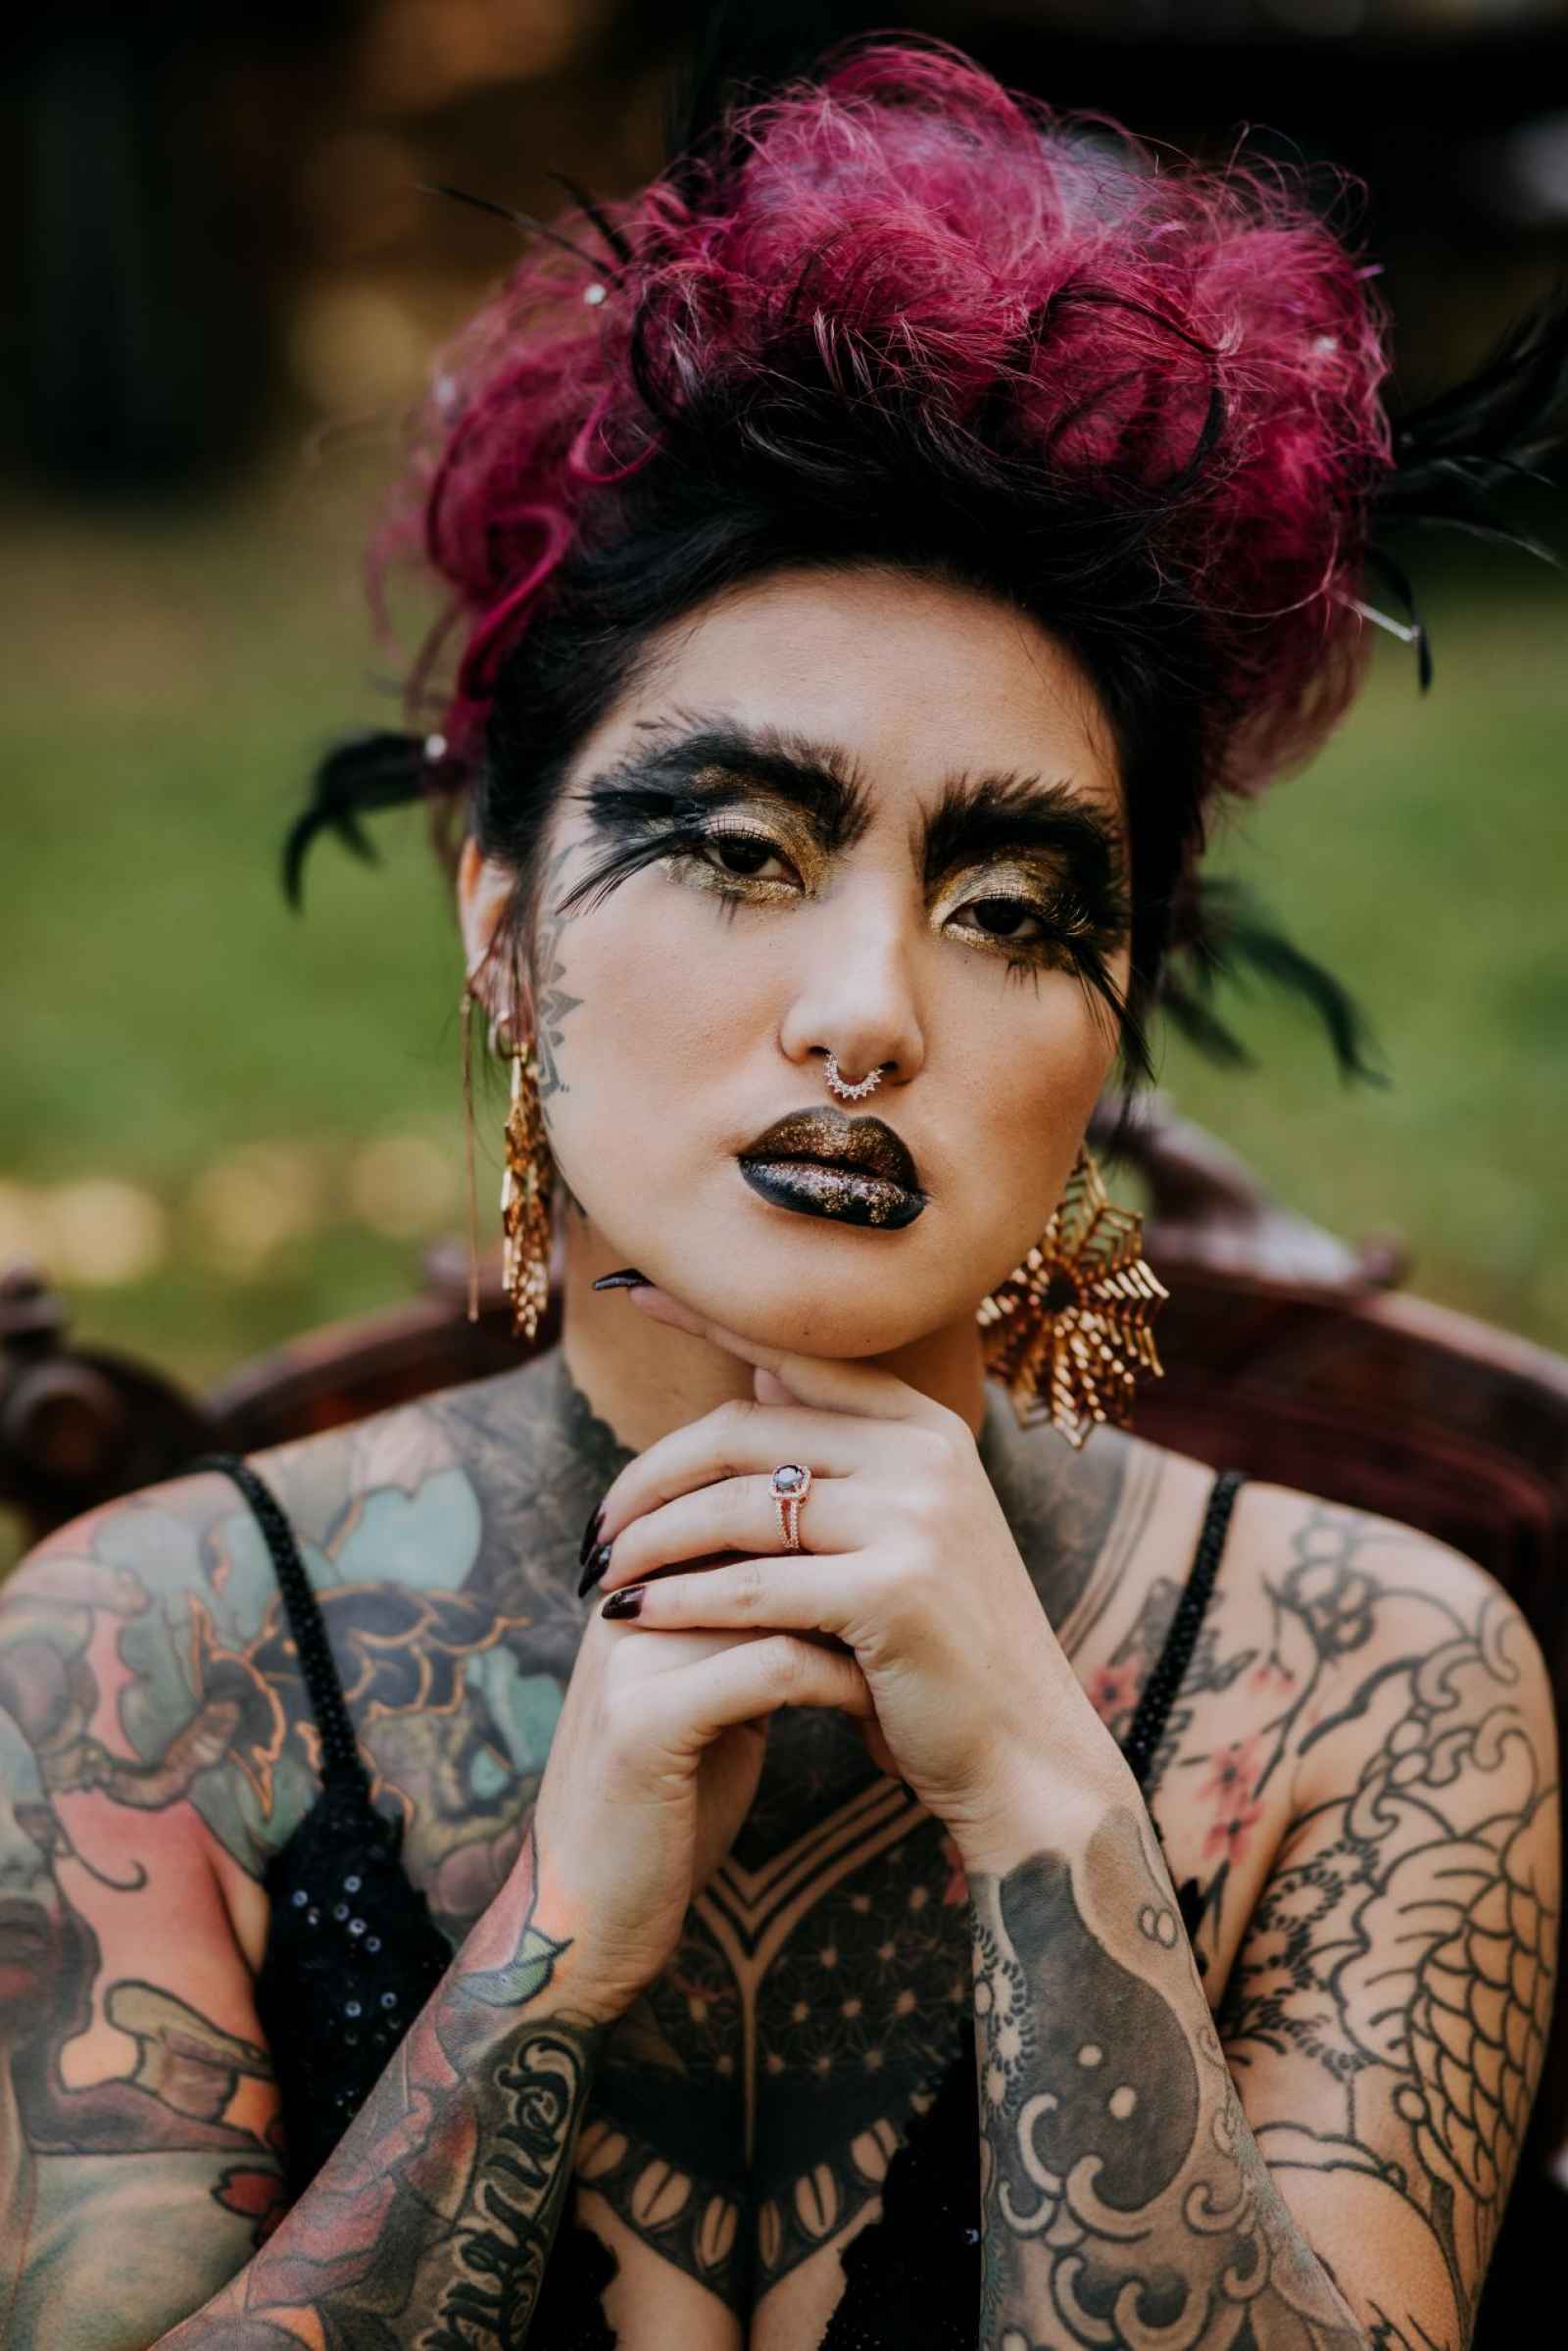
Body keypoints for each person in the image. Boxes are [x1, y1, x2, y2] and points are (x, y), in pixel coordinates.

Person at [2, 29, 1562, 2351]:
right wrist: (548, 1953)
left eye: (1010, 910)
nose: (865, 1012)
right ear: (500, 923)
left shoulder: (1379, 1683)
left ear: (1111, 1025)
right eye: (738, 849)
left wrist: (1048, 1811)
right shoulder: (147, 1661)